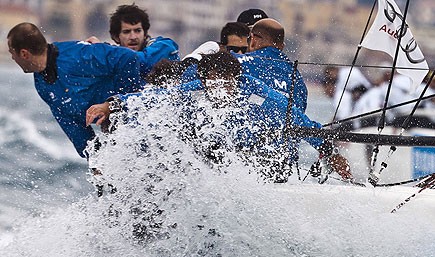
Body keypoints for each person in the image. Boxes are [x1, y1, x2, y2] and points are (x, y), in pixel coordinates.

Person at [86, 52, 352, 182]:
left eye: (226, 82)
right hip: (214, 156)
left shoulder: (264, 97)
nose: (219, 88)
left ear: (236, 79)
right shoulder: (194, 90)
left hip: (257, 160)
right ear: (203, 80)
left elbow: (304, 124)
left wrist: (331, 154)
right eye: (213, 81)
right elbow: (153, 98)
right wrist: (112, 105)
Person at [7, 22, 143, 158]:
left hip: (145, 115)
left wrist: (115, 105)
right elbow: (70, 123)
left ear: (24, 54)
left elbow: (128, 58)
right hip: (123, 137)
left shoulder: (77, 55)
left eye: (12, 53)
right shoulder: (41, 84)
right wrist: (95, 160)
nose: (13, 58)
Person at [235, 18, 309, 112]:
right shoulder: (297, 79)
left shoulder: (238, 61)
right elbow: (299, 114)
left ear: (253, 40)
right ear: (282, 47)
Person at [87, 4, 179, 77]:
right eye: (127, 32)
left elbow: (144, 62)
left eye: (137, 31)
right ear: (116, 37)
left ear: (145, 33)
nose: (133, 37)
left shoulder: (163, 46)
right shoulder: (112, 58)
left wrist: (103, 51)